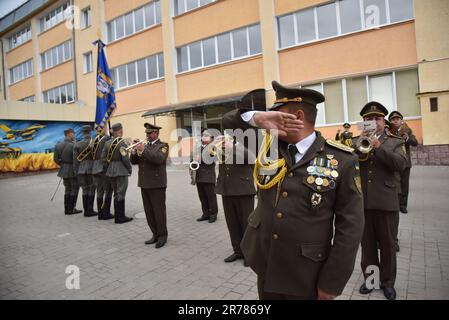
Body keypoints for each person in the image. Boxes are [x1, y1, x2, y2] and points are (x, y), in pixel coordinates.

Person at [222, 81, 364, 300]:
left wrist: (332, 282)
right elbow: (228, 122)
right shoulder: (266, 147)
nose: (270, 120)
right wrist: (259, 118)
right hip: (266, 263)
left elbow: (350, 228)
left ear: (297, 116)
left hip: (306, 274)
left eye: (277, 114)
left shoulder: (342, 160)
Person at [352, 102, 407, 300]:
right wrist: (360, 142)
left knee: (388, 245)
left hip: (386, 202)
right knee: (367, 246)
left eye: (377, 118)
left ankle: (387, 283)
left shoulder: (395, 141)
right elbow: (350, 162)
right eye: (368, 119)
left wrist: (379, 147)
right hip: (363, 202)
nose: (373, 122)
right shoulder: (356, 140)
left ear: (383, 121)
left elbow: (401, 164)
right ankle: (371, 280)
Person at [214, 131, 256, 265]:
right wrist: (214, 145)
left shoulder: (244, 145)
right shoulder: (221, 149)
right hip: (227, 190)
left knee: (246, 224)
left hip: (243, 190)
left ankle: (249, 254)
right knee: (232, 223)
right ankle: (237, 251)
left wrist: (234, 145)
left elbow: (251, 158)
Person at [130, 123, 169, 248]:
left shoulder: (163, 146)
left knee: (159, 212)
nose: (147, 135)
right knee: (149, 212)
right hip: (144, 183)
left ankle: (162, 236)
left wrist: (143, 149)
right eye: (146, 133)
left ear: (156, 133)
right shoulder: (145, 146)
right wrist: (134, 151)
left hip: (157, 184)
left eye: (149, 133)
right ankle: (155, 234)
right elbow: (134, 161)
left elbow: (158, 159)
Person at [102, 123, 133, 224]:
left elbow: (103, 159)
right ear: (120, 130)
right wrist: (129, 169)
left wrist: (109, 167)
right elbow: (125, 158)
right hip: (121, 170)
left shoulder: (107, 143)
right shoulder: (122, 142)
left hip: (110, 171)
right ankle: (121, 217)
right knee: (121, 193)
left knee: (116, 193)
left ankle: (117, 216)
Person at [388, 111, 418, 214]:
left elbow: (415, 143)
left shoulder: (407, 130)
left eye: (397, 119)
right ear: (390, 121)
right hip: (393, 162)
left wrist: (407, 138)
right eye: (393, 119)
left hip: (405, 163)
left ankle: (403, 205)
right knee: (395, 184)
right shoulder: (388, 131)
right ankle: (395, 203)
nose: (395, 121)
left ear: (401, 121)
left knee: (404, 185)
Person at [192, 129, 218, 223]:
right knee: (202, 197)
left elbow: (211, 160)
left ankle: (213, 214)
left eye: (207, 135)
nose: (204, 137)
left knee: (211, 197)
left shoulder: (213, 147)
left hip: (208, 176)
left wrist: (200, 158)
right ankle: (205, 213)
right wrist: (193, 160)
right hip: (199, 176)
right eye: (203, 135)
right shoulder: (198, 147)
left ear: (211, 138)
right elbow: (192, 159)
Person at [53, 128, 82, 215]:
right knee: (74, 188)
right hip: (72, 169)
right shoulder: (74, 145)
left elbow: (55, 159)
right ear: (69, 134)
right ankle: (72, 208)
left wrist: (63, 165)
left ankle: (67, 209)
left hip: (64, 170)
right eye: (73, 133)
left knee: (67, 189)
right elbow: (77, 159)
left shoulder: (58, 145)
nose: (74, 135)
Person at [73, 125, 97, 217]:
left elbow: (75, 160)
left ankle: (85, 210)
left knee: (84, 189)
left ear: (83, 132)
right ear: (90, 132)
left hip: (81, 170)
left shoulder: (77, 144)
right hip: (91, 169)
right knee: (91, 189)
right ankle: (89, 210)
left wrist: (76, 171)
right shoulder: (94, 142)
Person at [91, 129, 114, 220]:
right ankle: (106, 213)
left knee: (99, 190)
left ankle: (100, 213)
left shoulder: (93, 140)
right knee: (108, 190)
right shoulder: (106, 139)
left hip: (95, 167)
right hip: (103, 167)